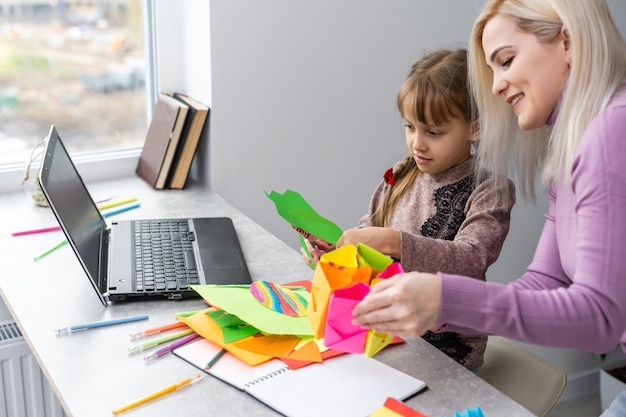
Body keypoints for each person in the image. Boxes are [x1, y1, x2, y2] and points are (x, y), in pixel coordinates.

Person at [351, 0, 626, 414]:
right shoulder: (574, 145)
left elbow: (602, 318)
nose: (495, 87)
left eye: (506, 60)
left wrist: (445, 298)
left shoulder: (611, 131)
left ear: (567, 40)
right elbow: (544, 279)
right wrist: (436, 313)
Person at [302, 48, 515, 370]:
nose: (417, 143)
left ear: (474, 128)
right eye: (410, 127)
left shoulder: (490, 189)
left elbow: (472, 258)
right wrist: (335, 252)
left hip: (446, 355)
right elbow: (367, 235)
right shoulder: (400, 174)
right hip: (384, 335)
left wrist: (394, 242)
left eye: (433, 132)